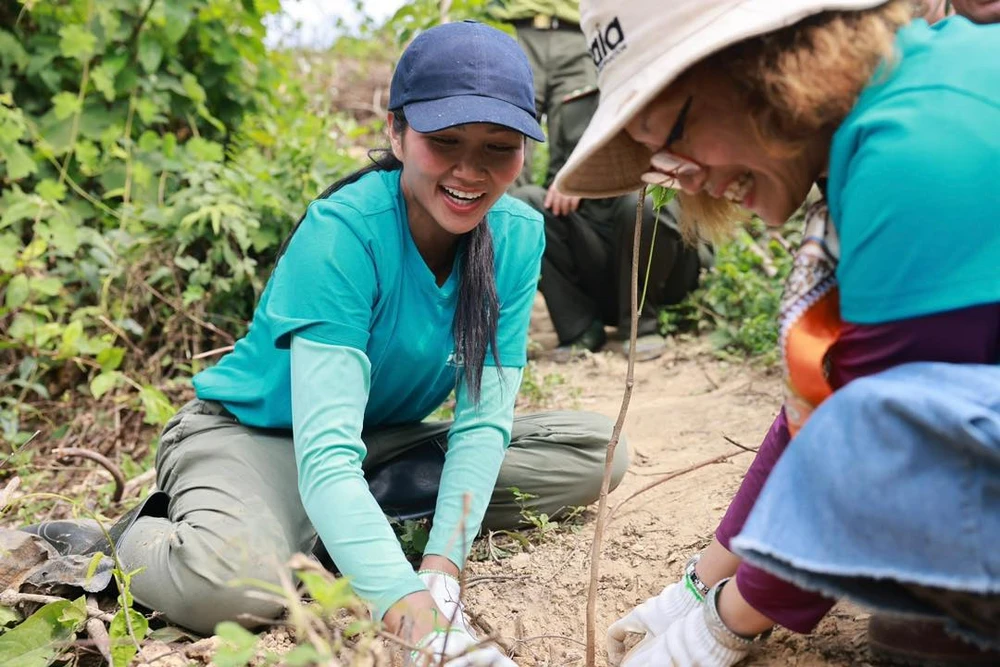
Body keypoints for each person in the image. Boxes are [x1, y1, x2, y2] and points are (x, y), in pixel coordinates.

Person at [24, 21, 629, 666]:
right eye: (444, 141)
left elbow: (482, 424)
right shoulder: (345, 234)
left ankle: (335, 526)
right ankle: (110, 542)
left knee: (599, 453)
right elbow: (324, 452)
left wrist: (442, 573)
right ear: (396, 131)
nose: (469, 170)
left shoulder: (516, 234)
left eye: (498, 148)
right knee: (229, 588)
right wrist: (410, 611)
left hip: (376, 441)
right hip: (253, 437)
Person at [553, 1, 1000, 666]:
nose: (683, 175)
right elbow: (830, 399)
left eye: (672, 132)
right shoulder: (889, 108)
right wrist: (701, 581)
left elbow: (886, 448)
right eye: (656, 158)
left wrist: (719, 627)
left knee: (924, 618)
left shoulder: (915, 144)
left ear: (764, 60)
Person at [491, 2, 703, 359]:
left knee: (645, 202)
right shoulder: (575, 106)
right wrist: (568, 179)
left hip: (658, 259)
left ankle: (641, 324)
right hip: (599, 248)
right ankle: (578, 326)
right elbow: (556, 181)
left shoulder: (669, 80)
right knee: (526, 202)